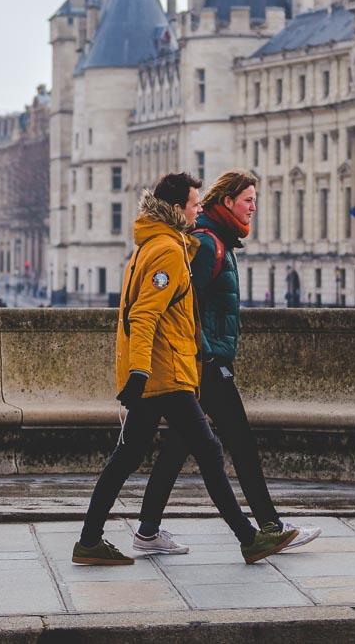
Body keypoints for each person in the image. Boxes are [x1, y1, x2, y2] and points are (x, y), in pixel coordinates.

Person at [73, 172, 302, 566]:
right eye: (196, 204)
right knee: (211, 451)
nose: (200, 210)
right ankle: (250, 538)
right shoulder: (166, 250)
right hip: (166, 374)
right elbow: (144, 315)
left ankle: (91, 540)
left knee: (126, 459)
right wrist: (140, 374)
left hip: (160, 372)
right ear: (178, 210)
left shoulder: (151, 244)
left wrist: (136, 373)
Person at [132, 170, 321, 556]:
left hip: (204, 361)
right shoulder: (207, 244)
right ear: (227, 201)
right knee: (240, 442)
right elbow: (185, 307)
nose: (254, 207)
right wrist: (206, 355)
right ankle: (269, 525)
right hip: (206, 363)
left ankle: (148, 530)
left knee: (178, 447)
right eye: (248, 199)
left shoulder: (219, 241)